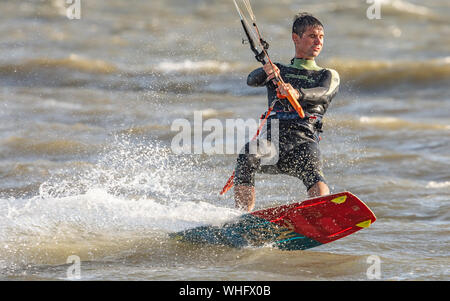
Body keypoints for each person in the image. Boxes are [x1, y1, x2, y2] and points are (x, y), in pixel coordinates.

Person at [234, 12, 340, 212]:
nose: (318, 41)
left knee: (313, 171)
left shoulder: (327, 75)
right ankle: (243, 217)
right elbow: (251, 80)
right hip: (273, 145)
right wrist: (266, 71)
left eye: (321, 37)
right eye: (312, 36)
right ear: (296, 38)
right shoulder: (279, 72)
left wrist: (297, 93)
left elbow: (324, 94)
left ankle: (320, 213)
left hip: (304, 141)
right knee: (248, 154)